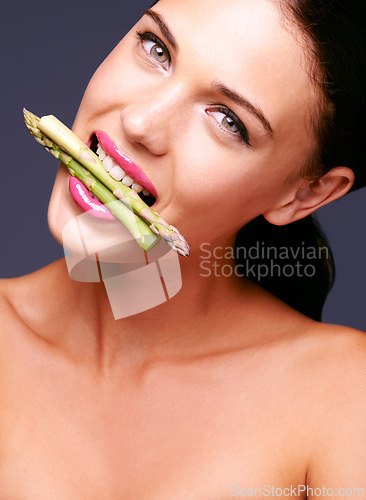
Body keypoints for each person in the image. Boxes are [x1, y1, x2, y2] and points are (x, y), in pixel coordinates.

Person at [0, 0, 365, 497]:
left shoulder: (345, 399)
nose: (141, 124)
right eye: (156, 48)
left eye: (229, 120)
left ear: (305, 194)